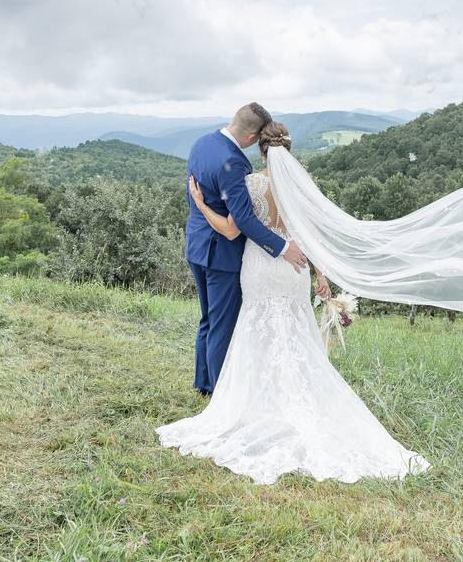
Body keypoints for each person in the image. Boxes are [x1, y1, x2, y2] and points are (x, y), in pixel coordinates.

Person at [157, 121, 431, 484]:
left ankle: (254, 401)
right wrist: (320, 275)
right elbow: (309, 235)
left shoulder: (251, 183)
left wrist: (199, 204)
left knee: (257, 331)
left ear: (261, 150)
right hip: (295, 267)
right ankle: (298, 399)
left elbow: (233, 229)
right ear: (289, 148)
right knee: (296, 331)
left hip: (258, 266)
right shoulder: (301, 188)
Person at [183, 102, 308, 396]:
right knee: (222, 325)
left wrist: (200, 205)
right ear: (252, 138)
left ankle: (203, 382)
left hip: (196, 246)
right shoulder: (235, 163)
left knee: (208, 319)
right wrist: (281, 247)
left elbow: (204, 199)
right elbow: (242, 220)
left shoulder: (202, 143)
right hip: (221, 254)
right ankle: (218, 391)